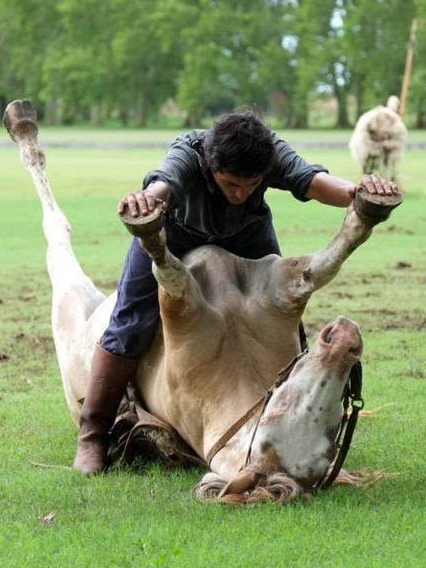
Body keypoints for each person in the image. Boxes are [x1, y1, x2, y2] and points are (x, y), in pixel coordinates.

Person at [73, 106, 399, 476]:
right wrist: (145, 202)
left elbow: (315, 182)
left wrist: (361, 193)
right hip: (175, 235)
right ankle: (94, 435)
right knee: (130, 323)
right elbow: (162, 186)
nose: (241, 193)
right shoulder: (187, 154)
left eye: (251, 184)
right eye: (231, 184)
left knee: (287, 320)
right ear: (211, 166)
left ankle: (291, 417)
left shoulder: (269, 152)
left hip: (248, 235)